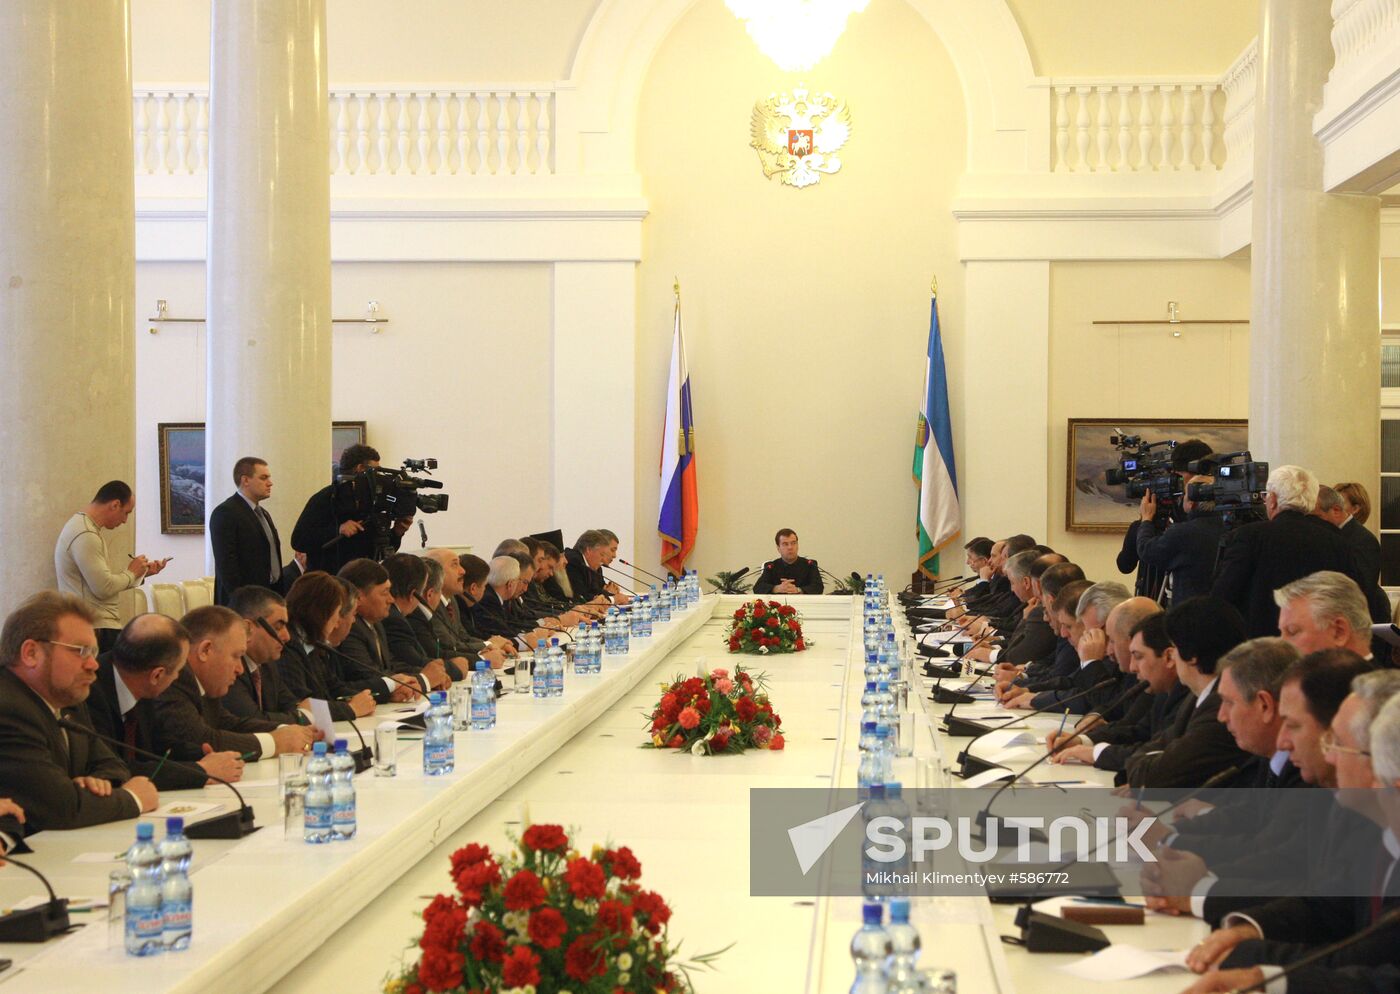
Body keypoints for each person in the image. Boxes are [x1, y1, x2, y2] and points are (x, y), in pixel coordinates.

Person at [0, 592, 158, 831]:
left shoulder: (68, 701)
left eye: (93, 652)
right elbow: (59, 808)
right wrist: (133, 798)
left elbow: (112, 764)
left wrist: (97, 785)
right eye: (80, 650)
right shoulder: (9, 709)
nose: (93, 664)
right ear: (31, 653)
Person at [87, 613, 246, 790]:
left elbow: (159, 746)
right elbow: (115, 770)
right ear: (157, 675)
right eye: (178, 670)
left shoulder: (140, 683)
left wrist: (202, 755)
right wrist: (201, 770)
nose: (178, 676)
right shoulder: (90, 693)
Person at [1213, 465, 1368, 637]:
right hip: (1317, 645)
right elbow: (1352, 598)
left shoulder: (1250, 536)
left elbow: (1223, 597)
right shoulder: (1339, 542)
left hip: (1262, 648)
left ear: (1272, 500)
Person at [149, 605, 315, 762]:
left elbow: (228, 723)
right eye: (236, 656)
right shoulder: (174, 677)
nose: (240, 669)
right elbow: (198, 739)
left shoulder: (203, 683)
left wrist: (289, 731)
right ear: (205, 650)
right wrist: (275, 743)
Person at [1123, 596, 1250, 787]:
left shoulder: (1219, 708)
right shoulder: (1197, 698)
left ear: (1190, 655)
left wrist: (1148, 762)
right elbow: (1154, 748)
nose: (1171, 657)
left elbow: (1155, 777)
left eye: (1173, 648)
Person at [54, 480, 168, 651]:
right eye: (126, 513)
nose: (124, 521)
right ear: (115, 505)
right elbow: (104, 587)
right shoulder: (86, 534)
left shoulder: (84, 528)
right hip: (95, 626)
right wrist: (131, 573)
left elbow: (99, 583)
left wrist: (140, 574)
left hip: (95, 624)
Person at [290, 444, 413, 574]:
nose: (379, 477)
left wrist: (397, 533)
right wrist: (338, 529)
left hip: (362, 582)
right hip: (329, 582)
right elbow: (299, 540)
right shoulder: (327, 497)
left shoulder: (375, 503)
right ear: (360, 469)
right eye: (376, 471)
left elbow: (381, 551)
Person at [336, 558, 441, 702]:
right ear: (358, 597)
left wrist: (429, 672)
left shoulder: (376, 623)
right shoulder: (350, 628)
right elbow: (365, 673)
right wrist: (424, 679)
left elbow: (390, 665)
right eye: (385, 593)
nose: (391, 599)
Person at [279, 571, 376, 721]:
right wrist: (351, 709)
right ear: (320, 613)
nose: (338, 622)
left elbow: (333, 688)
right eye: (337, 613)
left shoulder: (311, 644)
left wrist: (366, 698)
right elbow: (302, 705)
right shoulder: (288, 647)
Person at [1135, 473, 1227, 606]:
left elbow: (1147, 550)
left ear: (1191, 502)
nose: (1181, 498)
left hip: (1189, 611)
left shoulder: (1183, 532)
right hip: (1223, 610)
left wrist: (1146, 519)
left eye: (1184, 494)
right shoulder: (1229, 527)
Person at [223, 587, 311, 726]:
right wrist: (303, 717)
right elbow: (254, 721)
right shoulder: (230, 667)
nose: (287, 636)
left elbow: (290, 704)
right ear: (248, 629)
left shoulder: (266, 664)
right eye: (278, 627)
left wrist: (300, 714)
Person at [209, 457, 284, 605]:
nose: (270, 483)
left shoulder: (263, 513)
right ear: (245, 480)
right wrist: (242, 602)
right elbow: (227, 565)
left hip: (268, 596)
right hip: (243, 603)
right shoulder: (225, 512)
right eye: (263, 478)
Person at [424, 549, 510, 668]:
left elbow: (462, 636)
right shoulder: (430, 605)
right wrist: (487, 647)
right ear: (436, 572)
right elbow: (448, 645)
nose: (463, 571)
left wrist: (488, 646)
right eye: (455, 564)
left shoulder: (451, 600)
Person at [754, 528, 823, 595]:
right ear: (778, 548)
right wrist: (776, 588)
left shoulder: (809, 565)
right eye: (785, 544)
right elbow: (758, 587)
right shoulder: (771, 566)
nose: (790, 547)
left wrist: (798, 590)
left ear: (797, 545)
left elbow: (818, 587)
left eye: (793, 543)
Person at [564, 531, 612, 603]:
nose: (603, 559)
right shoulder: (573, 562)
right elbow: (581, 595)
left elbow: (594, 590)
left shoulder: (587, 564)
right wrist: (612, 599)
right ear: (588, 550)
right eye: (602, 554)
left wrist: (610, 594)